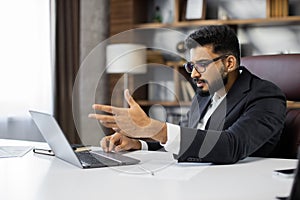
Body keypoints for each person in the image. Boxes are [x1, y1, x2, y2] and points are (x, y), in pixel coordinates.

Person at [89, 25, 286, 164]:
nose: (193, 74)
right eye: (191, 65)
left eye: (202, 65)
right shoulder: (204, 94)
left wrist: (155, 128)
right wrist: (139, 144)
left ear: (230, 63)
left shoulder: (266, 97)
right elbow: (188, 139)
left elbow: (231, 146)